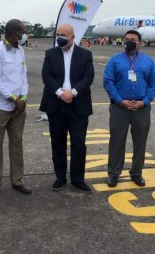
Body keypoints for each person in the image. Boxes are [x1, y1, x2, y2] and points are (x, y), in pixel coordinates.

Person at [39, 24, 95, 193]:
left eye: (63, 34)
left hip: (78, 105)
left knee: (79, 144)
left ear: (72, 36)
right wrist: (59, 92)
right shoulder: (50, 53)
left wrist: (73, 92)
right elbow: (46, 76)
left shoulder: (85, 54)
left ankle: (78, 180)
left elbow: (88, 77)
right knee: (58, 143)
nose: (59, 37)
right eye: (58, 34)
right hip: (56, 105)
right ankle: (60, 178)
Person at [103, 30, 155, 187]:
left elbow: (154, 83)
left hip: (141, 108)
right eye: (126, 39)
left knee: (140, 142)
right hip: (119, 108)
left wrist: (145, 101)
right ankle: (113, 173)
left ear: (140, 43)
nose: (128, 42)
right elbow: (108, 82)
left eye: (132, 40)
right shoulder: (114, 60)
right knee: (117, 141)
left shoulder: (148, 61)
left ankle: (136, 173)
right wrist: (120, 101)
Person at [0, 19, 30, 199]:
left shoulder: (21, 51)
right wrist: (13, 98)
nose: (25, 35)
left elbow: (23, 77)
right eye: (23, 31)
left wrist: (23, 99)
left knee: (17, 144)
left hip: (18, 108)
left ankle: (17, 180)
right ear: (13, 33)